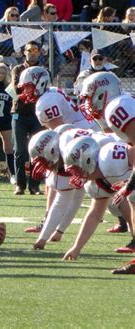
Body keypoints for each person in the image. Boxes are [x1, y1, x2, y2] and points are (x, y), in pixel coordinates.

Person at [77, 71, 135, 273]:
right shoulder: (120, 105)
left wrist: (130, 183)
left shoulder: (116, 107)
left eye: (90, 98)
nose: (89, 104)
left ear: (102, 92)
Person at [61, 136, 135, 270]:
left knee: (128, 199)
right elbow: (95, 215)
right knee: (124, 201)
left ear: (88, 160)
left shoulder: (110, 157)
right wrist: (77, 247)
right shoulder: (94, 184)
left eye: (76, 169)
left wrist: (130, 184)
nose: (75, 175)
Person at [11, 41, 44, 195]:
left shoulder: (43, 70)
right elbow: (17, 87)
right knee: (20, 150)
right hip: (20, 113)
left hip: (37, 114)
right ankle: (20, 184)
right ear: (24, 52)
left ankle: (35, 185)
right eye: (29, 50)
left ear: (39, 52)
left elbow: (45, 89)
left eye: (35, 50)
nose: (32, 53)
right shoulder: (18, 69)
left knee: (36, 150)